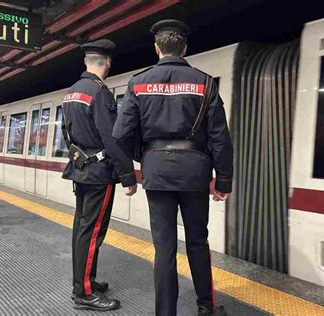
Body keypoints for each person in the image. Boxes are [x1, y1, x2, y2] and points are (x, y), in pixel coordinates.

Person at [113, 19, 233, 316]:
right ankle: (206, 306)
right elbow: (220, 136)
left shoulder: (138, 83)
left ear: (157, 48)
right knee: (197, 241)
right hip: (195, 173)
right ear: (185, 47)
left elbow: (120, 134)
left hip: (157, 173)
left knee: (164, 247)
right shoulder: (204, 82)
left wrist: (145, 157)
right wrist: (224, 181)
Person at [61, 39, 137, 311]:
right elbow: (111, 137)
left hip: (80, 169)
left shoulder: (71, 92)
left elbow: (66, 134)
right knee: (92, 232)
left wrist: (80, 156)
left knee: (81, 229)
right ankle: (84, 292)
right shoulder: (99, 92)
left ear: (86, 61)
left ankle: (86, 281)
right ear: (107, 62)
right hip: (98, 173)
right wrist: (127, 175)